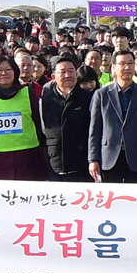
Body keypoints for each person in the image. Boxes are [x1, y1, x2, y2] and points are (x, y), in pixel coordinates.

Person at [88, 49, 137, 182]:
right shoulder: (101, 94)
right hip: (109, 157)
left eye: (130, 63)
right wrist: (93, 159)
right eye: (122, 64)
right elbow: (95, 129)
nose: (127, 67)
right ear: (114, 67)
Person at [41, 55, 94, 184]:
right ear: (53, 77)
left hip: (82, 166)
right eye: (63, 72)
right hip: (55, 166)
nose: (67, 75)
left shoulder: (89, 98)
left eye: (71, 71)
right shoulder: (45, 101)